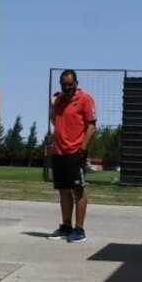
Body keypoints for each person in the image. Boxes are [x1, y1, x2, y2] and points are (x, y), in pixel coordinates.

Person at [48, 69, 96, 242]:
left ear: (76, 83)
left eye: (70, 84)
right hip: (59, 152)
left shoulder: (85, 99)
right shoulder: (60, 100)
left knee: (78, 191)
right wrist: (53, 105)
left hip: (75, 152)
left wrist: (82, 149)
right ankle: (66, 226)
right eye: (64, 84)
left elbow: (92, 126)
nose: (67, 87)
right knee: (63, 190)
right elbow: (55, 121)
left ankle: (79, 229)